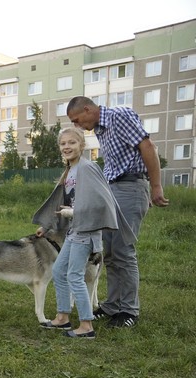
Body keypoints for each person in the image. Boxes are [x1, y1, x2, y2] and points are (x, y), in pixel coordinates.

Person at [66, 96, 169, 328]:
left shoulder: (119, 116)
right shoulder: (101, 130)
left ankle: (129, 309)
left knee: (124, 250)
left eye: (77, 120)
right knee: (109, 251)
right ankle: (113, 305)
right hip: (112, 190)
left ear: (87, 109)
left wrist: (154, 186)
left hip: (130, 186)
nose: (77, 126)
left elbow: (147, 146)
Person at [33, 127, 136, 339]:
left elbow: (101, 202)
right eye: (63, 144)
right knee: (60, 271)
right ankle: (62, 317)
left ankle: (86, 325)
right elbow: (64, 202)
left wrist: (74, 212)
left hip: (87, 232)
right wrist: (48, 226)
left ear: (82, 145)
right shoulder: (69, 170)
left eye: (72, 142)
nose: (66, 147)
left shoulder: (87, 168)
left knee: (74, 275)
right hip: (73, 231)